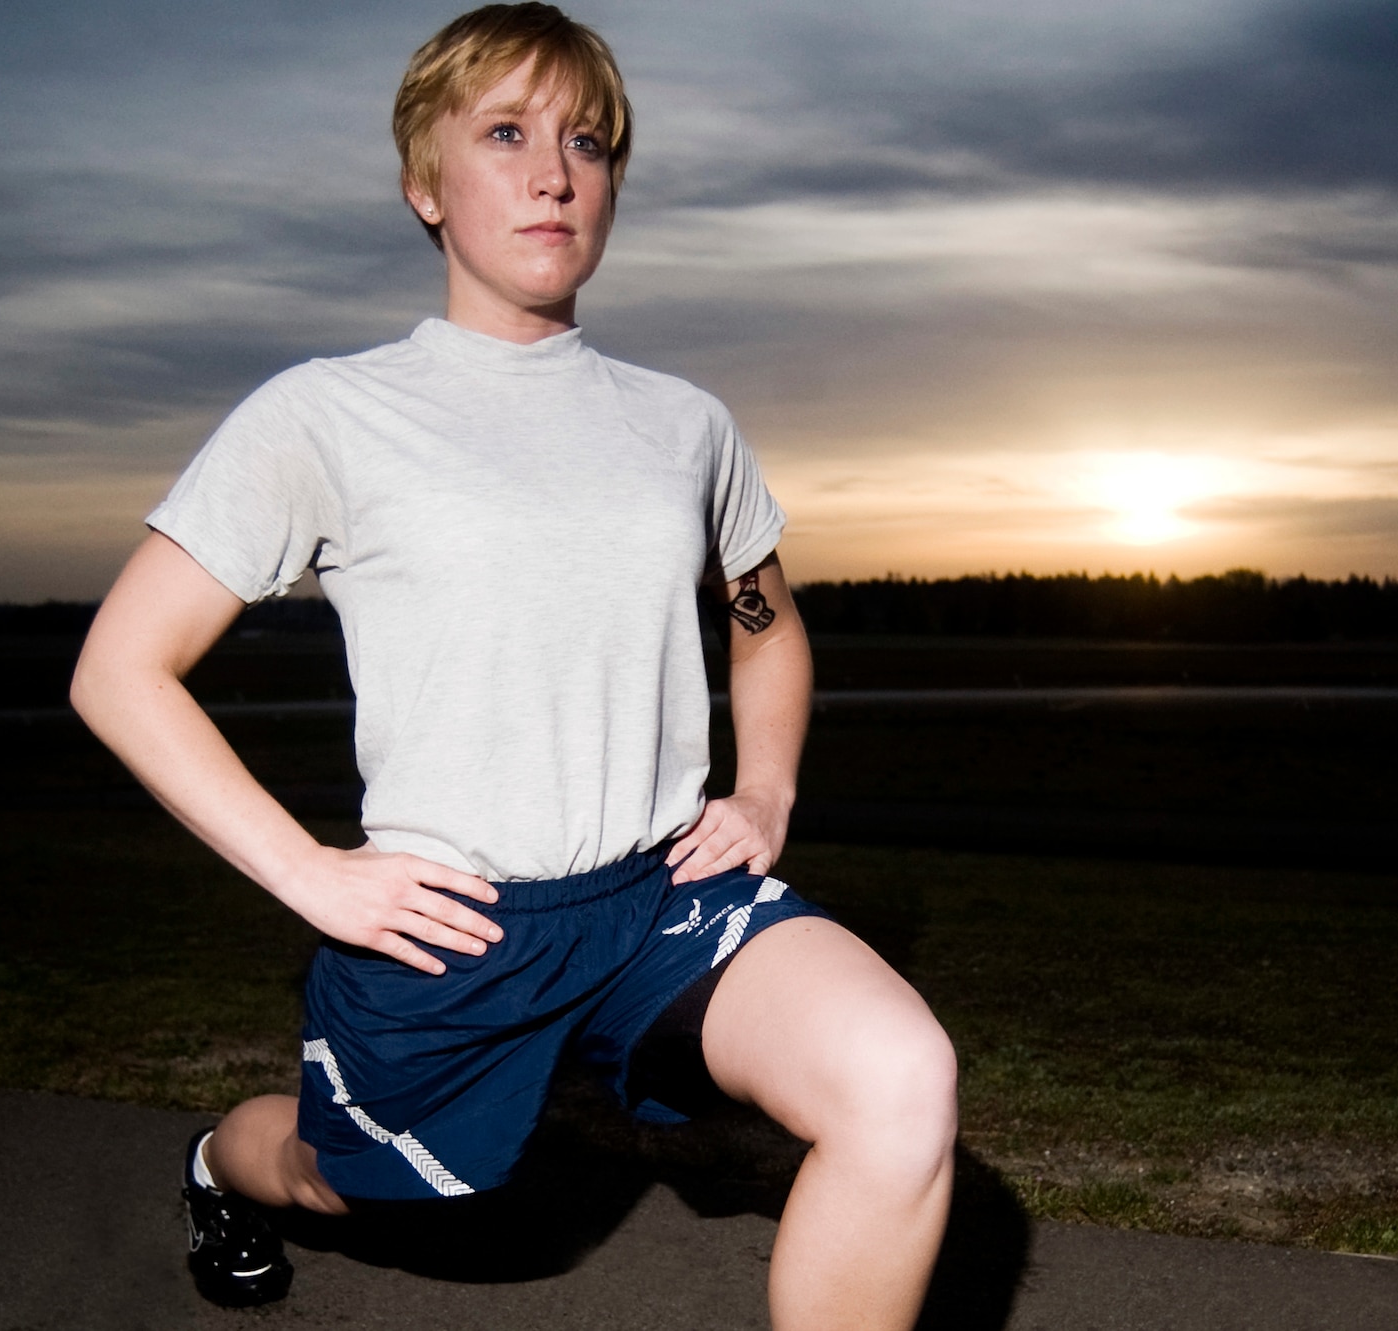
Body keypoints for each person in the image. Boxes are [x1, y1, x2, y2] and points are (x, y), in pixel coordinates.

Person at [69, 5, 958, 1328]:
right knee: (335, 1183)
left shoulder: (685, 425)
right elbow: (120, 671)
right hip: (456, 930)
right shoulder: (325, 414)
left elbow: (763, 617)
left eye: (588, 143)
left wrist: (765, 791)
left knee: (902, 1079)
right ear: (426, 185)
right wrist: (312, 874)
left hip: (660, 897)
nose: (555, 172)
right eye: (505, 134)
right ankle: (217, 1168)